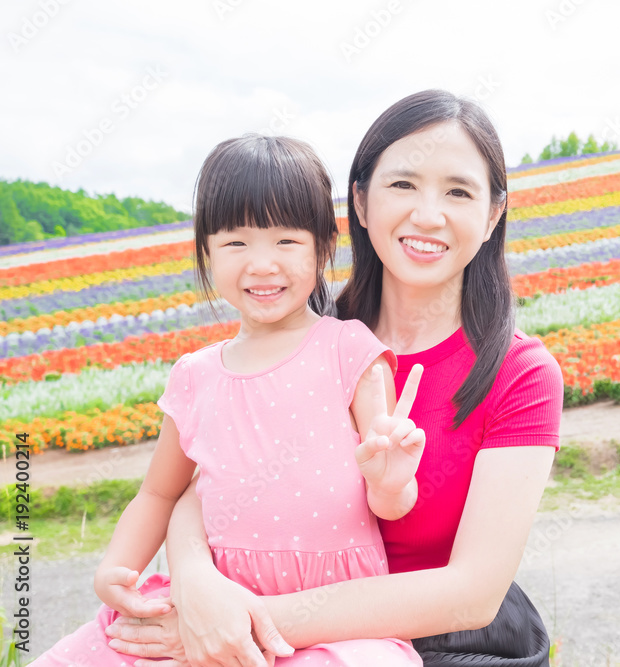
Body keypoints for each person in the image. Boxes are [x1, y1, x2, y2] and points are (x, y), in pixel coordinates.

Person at [102, 90, 563, 667]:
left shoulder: (519, 374)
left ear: (493, 215)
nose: (428, 214)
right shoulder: (300, 341)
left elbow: (469, 595)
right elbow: (203, 482)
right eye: (403, 184)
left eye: (458, 191)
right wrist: (196, 584)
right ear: (361, 203)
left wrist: (249, 622)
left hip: (449, 646)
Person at [32, 134, 428, 666]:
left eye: (286, 242)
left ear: (322, 247)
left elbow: (389, 502)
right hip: (212, 605)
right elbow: (158, 493)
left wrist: (391, 478)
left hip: (333, 618)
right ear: (207, 253)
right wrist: (114, 570)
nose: (262, 264)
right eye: (236, 243)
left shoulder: (347, 349)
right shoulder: (195, 376)